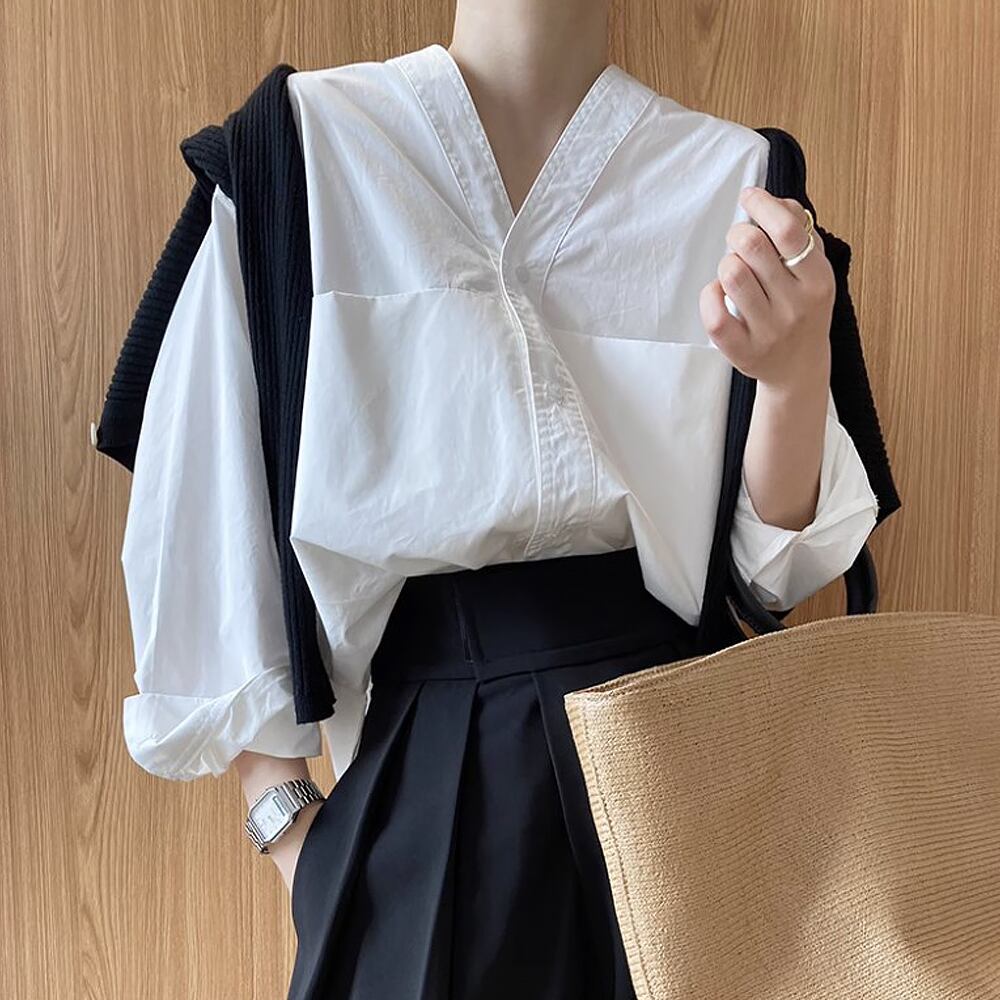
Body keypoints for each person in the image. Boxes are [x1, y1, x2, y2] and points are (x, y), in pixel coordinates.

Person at [101, 2, 888, 997]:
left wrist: (794, 372)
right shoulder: (298, 153)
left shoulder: (733, 178)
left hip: (691, 773)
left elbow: (769, 575)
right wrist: (303, 846)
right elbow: (209, 531)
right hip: (427, 788)